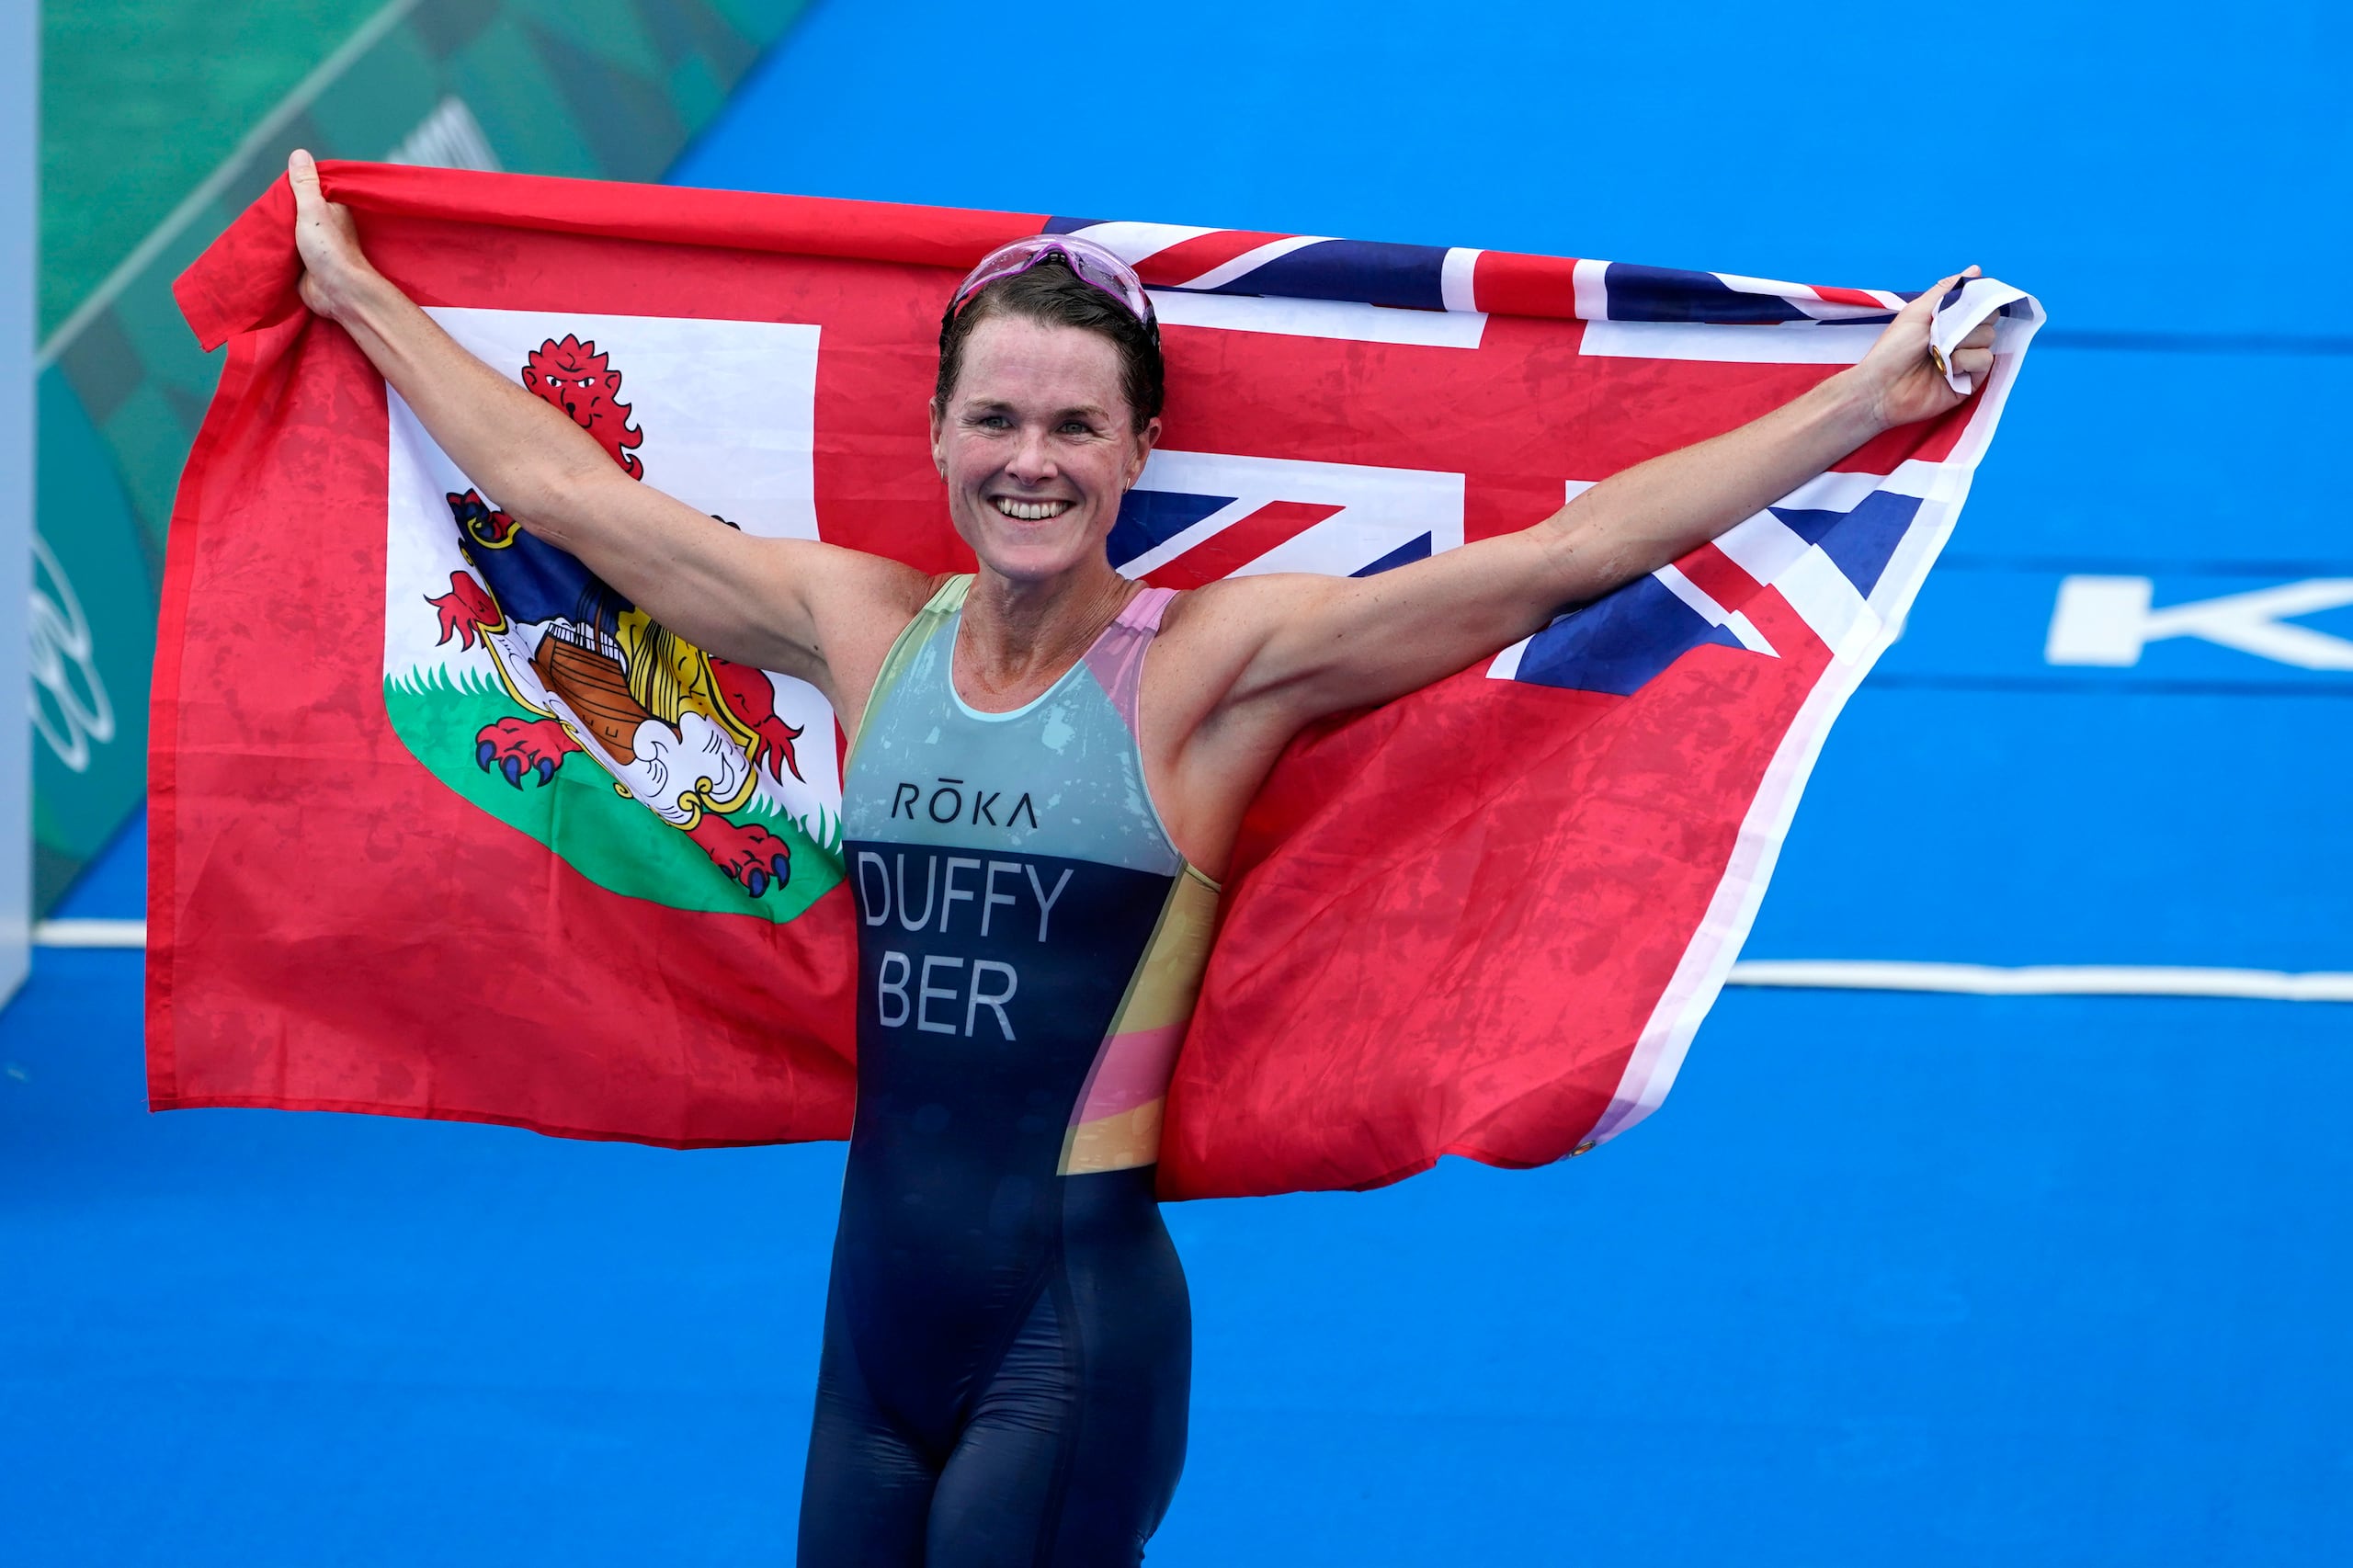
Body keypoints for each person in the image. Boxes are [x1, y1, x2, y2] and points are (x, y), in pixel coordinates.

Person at [283, 147, 1996, 1565]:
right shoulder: (858, 625)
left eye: (1077, 428)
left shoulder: (1208, 673)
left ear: (1136, 452)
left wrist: (1865, 394)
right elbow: (567, 497)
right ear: (942, 436)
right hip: (866, 1326)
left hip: (1069, 1332)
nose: (1032, 460)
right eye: (999, 421)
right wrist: (358, 295)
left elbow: (1569, 556)